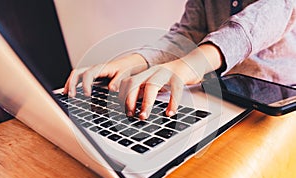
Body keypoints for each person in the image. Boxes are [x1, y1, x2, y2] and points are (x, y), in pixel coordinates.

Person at [63, 0, 296, 120]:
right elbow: (186, 34)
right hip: (224, 96)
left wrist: (191, 64)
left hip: (278, 105)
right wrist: (135, 60)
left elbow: (251, 26)